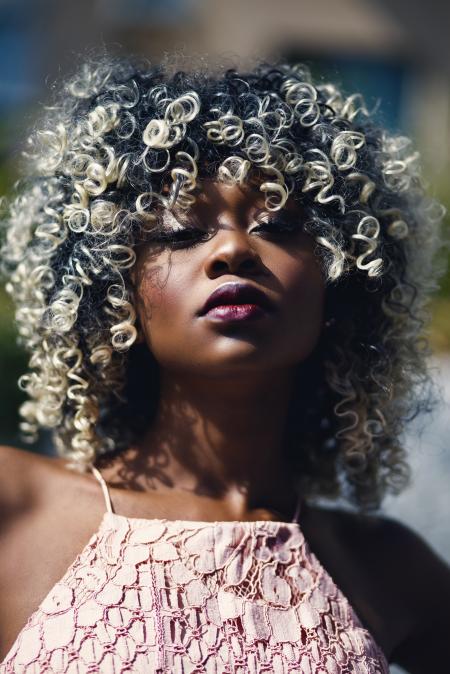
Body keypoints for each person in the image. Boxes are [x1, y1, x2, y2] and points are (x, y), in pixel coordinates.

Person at [0, 52, 449, 673]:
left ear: (344, 280)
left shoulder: (386, 570)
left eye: (282, 225)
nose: (234, 247)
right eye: (182, 231)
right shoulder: (16, 507)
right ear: (110, 288)